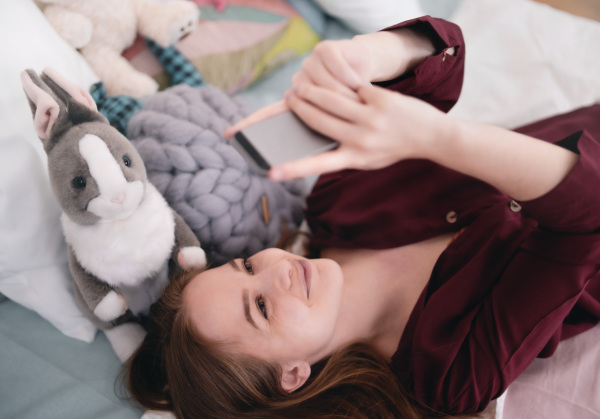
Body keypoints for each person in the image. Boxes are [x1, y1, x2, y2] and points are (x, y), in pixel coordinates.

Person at [123, 16, 600, 418]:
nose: (276, 272)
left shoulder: (335, 203)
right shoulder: (449, 371)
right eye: (261, 309)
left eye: (246, 267)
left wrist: (366, 57)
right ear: (293, 374)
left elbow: (444, 53)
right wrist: (437, 139)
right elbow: (586, 218)